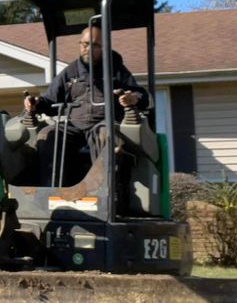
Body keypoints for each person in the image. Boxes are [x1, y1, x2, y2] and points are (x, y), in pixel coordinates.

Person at [23, 25, 148, 186]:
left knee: (105, 134)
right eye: (85, 44)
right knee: (47, 134)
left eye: (94, 45)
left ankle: (107, 193)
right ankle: (52, 191)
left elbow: (141, 95)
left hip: (103, 122)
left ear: (104, 47)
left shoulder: (116, 70)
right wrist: (34, 104)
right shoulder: (70, 72)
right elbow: (49, 101)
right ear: (79, 44)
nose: (88, 49)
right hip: (73, 125)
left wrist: (133, 99)